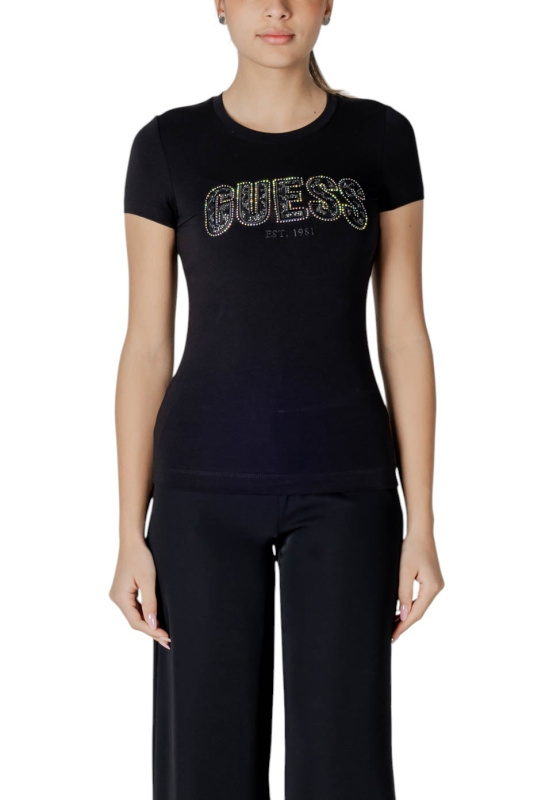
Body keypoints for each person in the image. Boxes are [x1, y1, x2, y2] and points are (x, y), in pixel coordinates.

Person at [109, 2, 445, 798]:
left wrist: (422, 524)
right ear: (219, 5)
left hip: (348, 490)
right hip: (199, 493)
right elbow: (146, 345)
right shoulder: (166, 146)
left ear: (328, 6)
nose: (277, 8)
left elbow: (403, 334)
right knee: (205, 769)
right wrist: (128, 532)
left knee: (343, 769)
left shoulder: (380, 138)